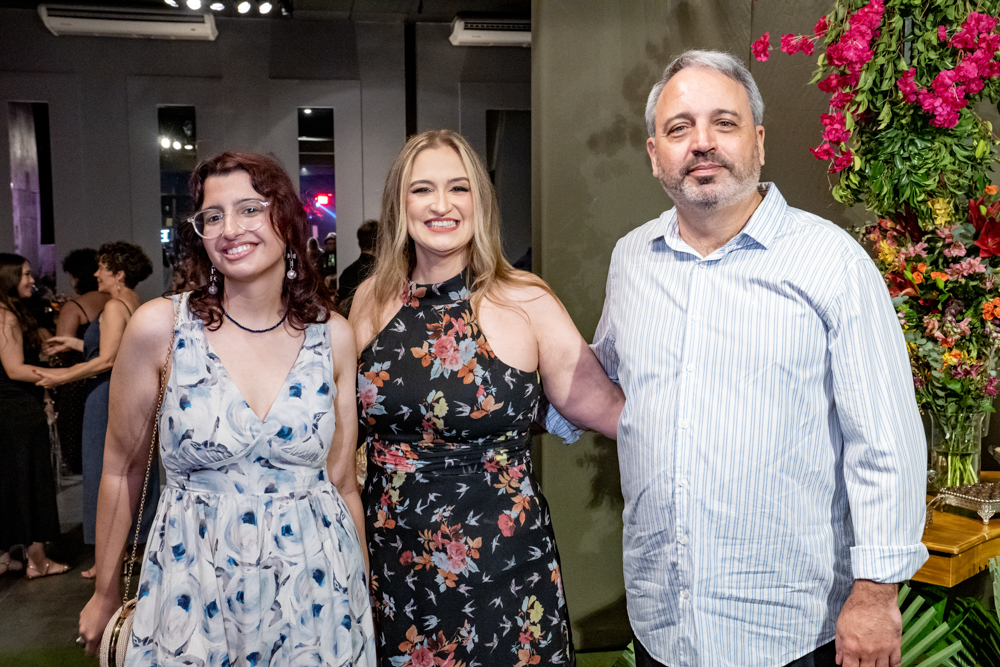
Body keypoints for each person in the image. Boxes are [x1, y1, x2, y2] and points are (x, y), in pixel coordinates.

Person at [546, 50, 928, 667]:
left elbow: (886, 441)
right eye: (679, 128)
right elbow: (607, 379)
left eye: (724, 123)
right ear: (654, 155)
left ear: (759, 141)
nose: (702, 142)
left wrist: (877, 595)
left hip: (790, 629)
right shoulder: (633, 260)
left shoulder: (831, 262)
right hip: (664, 622)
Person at [76, 152, 375, 665]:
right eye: (212, 216)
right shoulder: (161, 327)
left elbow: (343, 482)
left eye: (250, 209)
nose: (230, 229)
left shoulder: (333, 335)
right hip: (192, 580)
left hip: (315, 586)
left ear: (287, 219)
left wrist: (359, 587)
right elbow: (121, 469)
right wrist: (105, 592)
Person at [349, 130, 624, 667]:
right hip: (395, 565)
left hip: (504, 567)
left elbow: (610, 410)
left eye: (459, 188)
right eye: (422, 189)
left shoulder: (526, 300)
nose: (442, 205)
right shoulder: (370, 300)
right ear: (399, 205)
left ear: (481, 201)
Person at [36, 242, 158, 580]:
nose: (95, 274)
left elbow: (107, 360)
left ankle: (107, 560)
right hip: (129, 393)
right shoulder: (132, 302)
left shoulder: (115, 306)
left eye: (102, 268)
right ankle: (129, 552)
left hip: (106, 395)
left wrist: (61, 375)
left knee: (103, 475)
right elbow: (120, 348)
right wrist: (76, 343)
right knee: (133, 474)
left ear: (118, 274)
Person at [0, 253, 69, 579]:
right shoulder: (6, 317)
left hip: (6, 410)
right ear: (9, 278)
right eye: (26, 274)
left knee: (9, 482)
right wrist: (61, 375)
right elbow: (14, 369)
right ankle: (38, 561)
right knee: (32, 481)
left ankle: (5, 556)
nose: (32, 280)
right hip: (17, 410)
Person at [51, 248, 111, 475]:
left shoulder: (74, 306)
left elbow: (62, 348)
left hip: (80, 380)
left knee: (83, 449)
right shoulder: (117, 301)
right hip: (113, 379)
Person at [336, 219, 377, 311]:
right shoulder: (384, 272)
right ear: (380, 243)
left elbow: (343, 307)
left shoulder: (347, 273)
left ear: (359, 243)